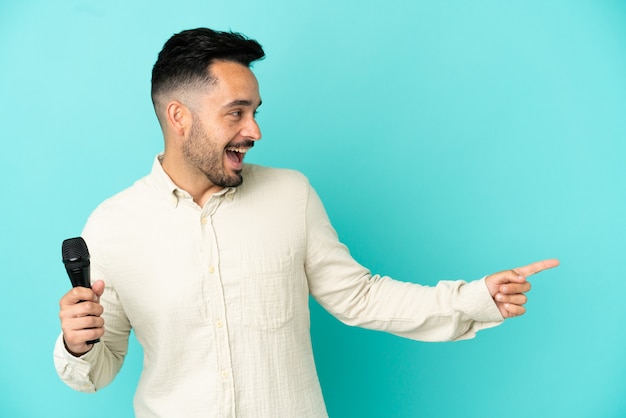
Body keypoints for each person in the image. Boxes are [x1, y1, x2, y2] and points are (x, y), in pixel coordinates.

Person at [54, 27, 559, 417]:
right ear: (179, 116)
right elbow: (96, 370)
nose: (254, 130)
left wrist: (474, 297)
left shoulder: (290, 194)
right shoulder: (112, 226)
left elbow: (361, 297)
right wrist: (78, 344)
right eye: (236, 113)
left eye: (255, 111)